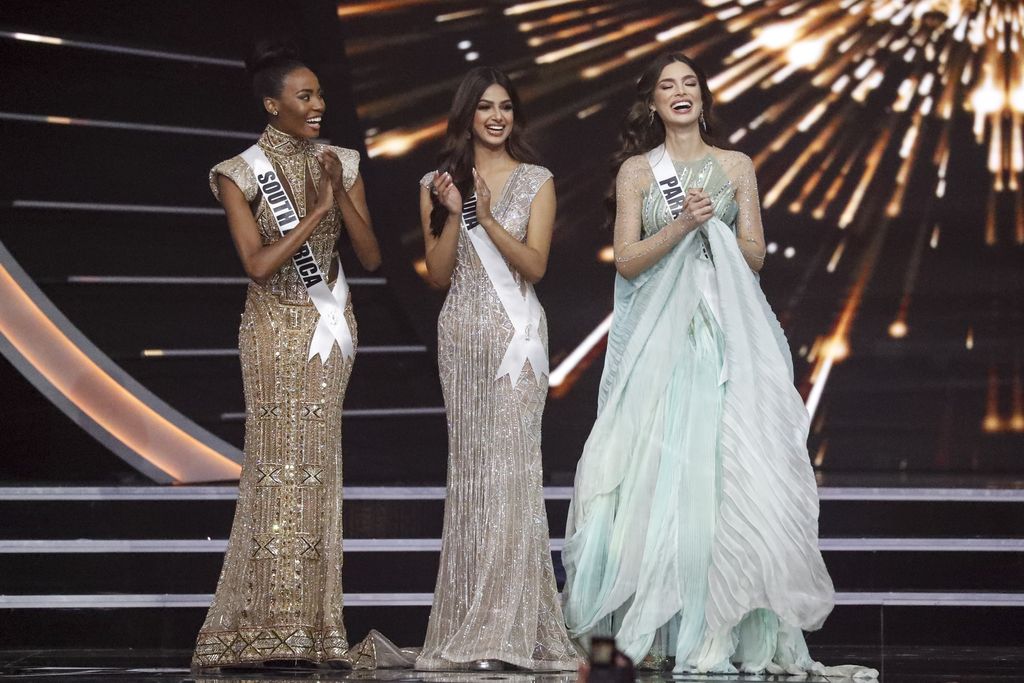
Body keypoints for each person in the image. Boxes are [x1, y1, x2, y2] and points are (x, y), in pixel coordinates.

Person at [561, 53, 877, 679]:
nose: (679, 94)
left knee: (721, 476)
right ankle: (648, 628)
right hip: (661, 344)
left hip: (720, 340)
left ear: (704, 98)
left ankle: (717, 622)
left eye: (689, 84)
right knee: (656, 479)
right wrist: (682, 223)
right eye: (666, 87)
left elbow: (755, 256)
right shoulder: (636, 173)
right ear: (652, 104)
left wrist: (719, 229)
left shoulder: (736, 166)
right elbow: (626, 260)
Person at [192, 42, 382, 669]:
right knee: (277, 469)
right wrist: (316, 212)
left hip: (329, 325)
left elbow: (371, 255)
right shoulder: (238, 172)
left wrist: (338, 193)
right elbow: (257, 263)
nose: (319, 105)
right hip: (272, 329)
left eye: (321, 95)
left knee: (319, 467)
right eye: (305, 96)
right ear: (273, 104)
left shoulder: (343, 160)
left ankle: (318, 627)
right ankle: (260, 624)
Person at [414, 66, 579, 671]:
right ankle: (469, 621)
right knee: (472, 476)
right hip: (460, 337)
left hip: (516, 340)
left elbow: (534, 267)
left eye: (506, 106)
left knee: (512, 474)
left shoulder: (537, 180)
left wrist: (487, 216)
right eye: (484, 106)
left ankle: (511, 624)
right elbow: (435, 274)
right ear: (466, 115)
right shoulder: (437, 182)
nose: (496, 116)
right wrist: (458, 211)